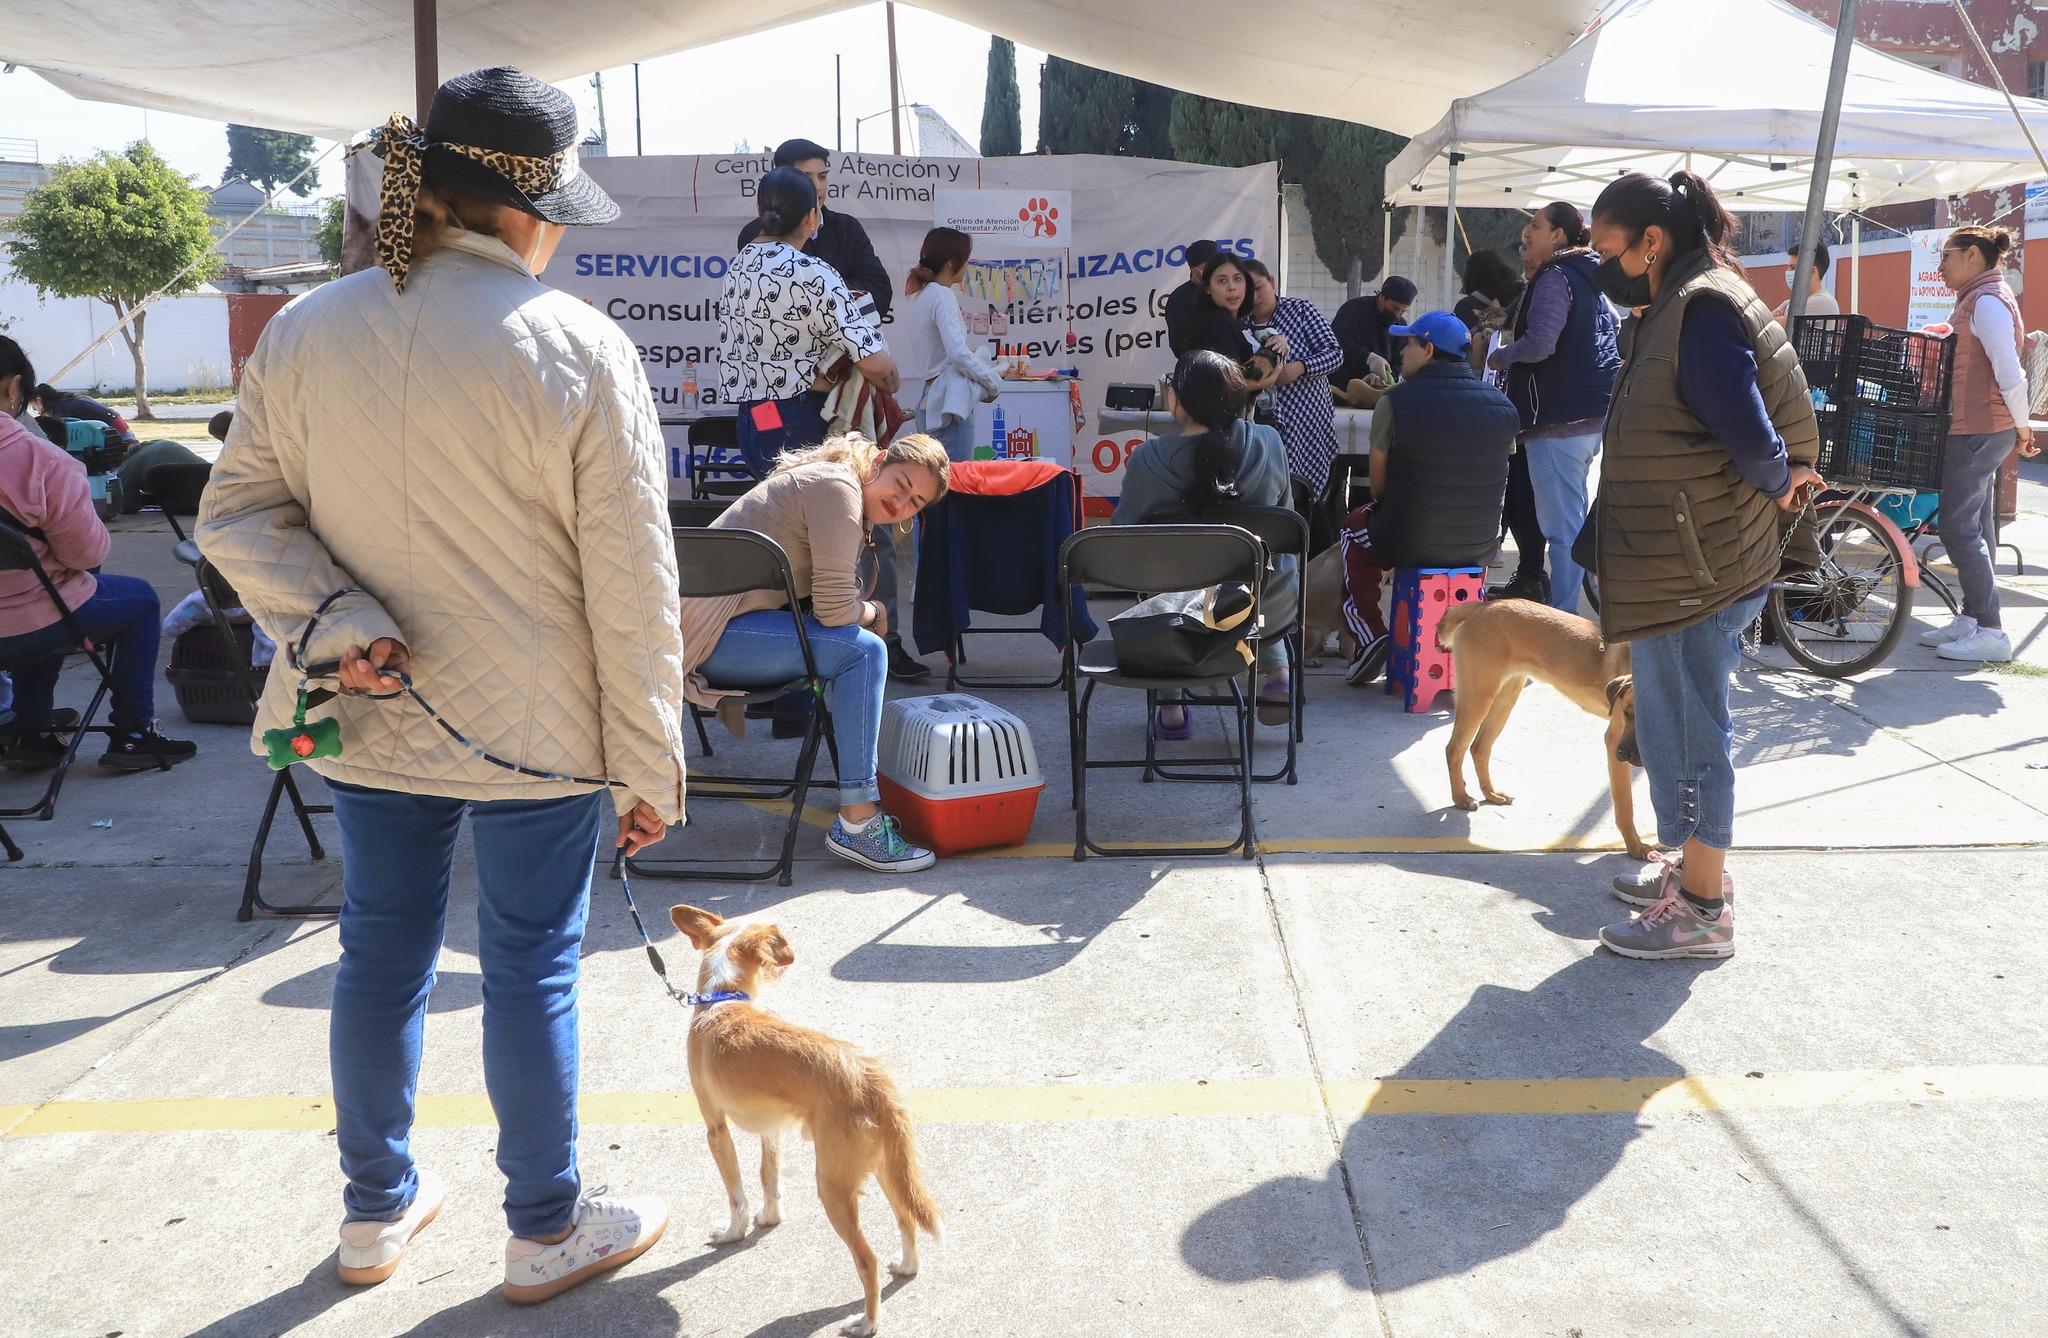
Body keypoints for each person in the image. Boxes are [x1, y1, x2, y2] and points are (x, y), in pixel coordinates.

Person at [197, 67, 687, 1300]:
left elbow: (237, 516)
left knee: (379, 953)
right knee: (530, 967)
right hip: (542, 731)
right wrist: (650, 760)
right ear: (529, 210)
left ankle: (374, 1213)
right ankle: (546, 1224)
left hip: (368, 700)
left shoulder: (308, 327)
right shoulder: (578, 344)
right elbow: (634, 587)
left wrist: (339, 625)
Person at [1587, 170, 1824, 962]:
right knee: (1670, 723)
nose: (1601, 264)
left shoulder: (1701, 309)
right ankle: (1690, 872)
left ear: (1651, 242)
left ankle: (1703, 909)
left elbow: (1751, 435)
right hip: (1685, 557)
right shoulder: (1689, 301)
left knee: (1691, 734)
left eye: (1605, 248)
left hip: (1702, 560)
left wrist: (1779, 479)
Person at [679, 432, 951, 874]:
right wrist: (876, 609)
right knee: (864, 653)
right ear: (879, 461)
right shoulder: (837, 488)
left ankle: (857, 797)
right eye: (901, 485)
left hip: (709, 631)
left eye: (916, 502)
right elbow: (835, 610)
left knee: (857, 649)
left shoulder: (836, 483)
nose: (901, 505)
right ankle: (859, 822)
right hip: (708, 637)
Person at [718, 169, 919, 682]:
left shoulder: (737, 266)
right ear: (811, 217)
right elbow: (877, 365)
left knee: (779, 554)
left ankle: (778, 684)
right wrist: (891, 379)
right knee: (816, 563)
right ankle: (804, 691)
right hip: (797, 419)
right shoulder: (812, 273)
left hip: (753, 419)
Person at [0, 410, 196, 771]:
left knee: (54, 596)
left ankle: (33, 730)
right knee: (136, 599)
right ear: (14, 389)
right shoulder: (39, 458)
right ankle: (133, 733)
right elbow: (86, 554)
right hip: (33, 618)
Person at [1116, 350, 1299, 730]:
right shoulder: (1269, 442)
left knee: (1170, 590)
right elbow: (1288, 527)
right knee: (1260, 570)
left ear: (1175, 399)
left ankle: (1170, 708)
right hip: (1263, 605)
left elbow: (1123, 538)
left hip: (1178, 611)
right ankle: (1277, 672)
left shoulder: (1146, 459)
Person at [1337, 311, 1518, 685]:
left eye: (1410, 343)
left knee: (1354, 527)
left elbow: (1378, 489)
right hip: (1481, 544)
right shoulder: (1503, 406)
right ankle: (1462, 645)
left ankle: (1371, 636)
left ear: (1429, 349)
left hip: (1408, 541)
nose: (1402, 352)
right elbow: (1498, 477)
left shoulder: (1396, 403)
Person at [1488, 201, 1621, 615]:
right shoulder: (1591, 272)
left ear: (1558, 235)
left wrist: (1500, 356)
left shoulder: (1555, 276)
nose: (1528, 232)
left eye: (1536, 225)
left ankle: (1564, 617)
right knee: (1571, 521)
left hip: (1558, 419)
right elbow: (1613, 329)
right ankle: (1566, 611)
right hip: (1591, 414)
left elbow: (1542, 342)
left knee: (1562, 529)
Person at [1920, 225, 2041, 663]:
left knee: (1957, 527)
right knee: (1978, 526)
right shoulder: (1980, 298)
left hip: (1980, 428)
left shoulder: (1988, 302)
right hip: (1981, 426)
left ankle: (1991, 629)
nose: (1940, 266)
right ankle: (1973, 617)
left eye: (1946, 256)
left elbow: (2012, 373)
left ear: (1972, 255)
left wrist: (2023, 428)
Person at [736, 138, 892, 317]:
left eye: (823, 176)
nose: (818, 187)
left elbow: (880, 292)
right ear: (784, 179)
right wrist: (844, 295)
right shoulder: (756, 235)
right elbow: (772, 301)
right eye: (806, 177)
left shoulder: (848, 228)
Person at [894, 226, 1002, 463]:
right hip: (947, 406)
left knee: (935, 485)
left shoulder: (922, 295)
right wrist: (991, 382)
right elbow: (958, 353)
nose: (967, 265)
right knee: (956, 484)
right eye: (966, 260)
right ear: (953, 263)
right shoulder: (942, 295)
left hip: (928, 400)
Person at [1237, 257, 1342, 492]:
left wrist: (1299, 368)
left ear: (1272, 282)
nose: (1254, 297)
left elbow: (1335, 354)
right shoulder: (1241, 324)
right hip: (1264, 424)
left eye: (1258, 288)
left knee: (1306, 491)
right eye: (1247, 292)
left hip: (1307, 421)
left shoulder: (1300, 310)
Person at [1332, 276, 1417, 389]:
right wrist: (1368, 357)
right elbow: (1336, 341)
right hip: (1341, 388)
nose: (1397, 315)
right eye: (1395, 308)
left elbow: (1399, 361)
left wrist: (1386, 379)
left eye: (1403, 311)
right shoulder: (1355, 309)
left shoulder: (1400, 325)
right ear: (1381, 297)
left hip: (1376, 394)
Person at [1182, 253, 1259, 365]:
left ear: (1246, 285)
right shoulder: (1219, 323)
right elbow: (1227, 381)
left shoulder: (1237, 322)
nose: (1232, 287)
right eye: (1222, 281)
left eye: (1237, 279)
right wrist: (1270, 379)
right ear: (1207, 287)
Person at [32, 383, 139, 449]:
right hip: (123, 431)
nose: (36, 411)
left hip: (119, 437)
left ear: (39, 400)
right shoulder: (67, 401)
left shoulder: (61, 411)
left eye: (34, 407)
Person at [1164, 239, 1222, 359]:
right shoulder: (1179, 299)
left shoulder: (1225, 290)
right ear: (1194, 269)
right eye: (1208, 266)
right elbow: (1180, 346)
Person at [1770, 238, 1839, 325]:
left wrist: (1777, 319)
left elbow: (1770, 326)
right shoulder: (1791, 302)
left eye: (1793, 267)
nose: (1788, 271)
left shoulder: (1821, 301)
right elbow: (1766, 322)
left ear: (1812, 271)